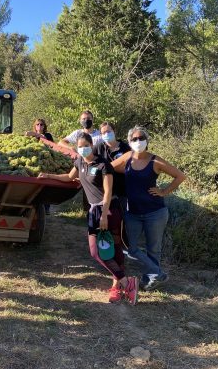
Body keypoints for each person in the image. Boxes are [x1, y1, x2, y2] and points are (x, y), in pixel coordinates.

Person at [39, 133, 139, 305]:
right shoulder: (79, 162)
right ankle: (126, 282)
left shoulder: (103, 164)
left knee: (113, 248)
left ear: (91, 145)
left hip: (109, 210)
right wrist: (49, 176)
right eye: (80, 146)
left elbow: (108, 192)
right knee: (96, 252)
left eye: (85, 145)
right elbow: (69, 177)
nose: (82, 148)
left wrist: (105, 215)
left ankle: (119, 285)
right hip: (93, 211)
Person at [111, 125, 186, 291]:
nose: (138, 141)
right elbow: (108, 168)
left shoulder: (155, 161)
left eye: (141, 138)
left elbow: (180, 176)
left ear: (147, 141)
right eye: (134, 139)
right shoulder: (127, 157)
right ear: (129, 142)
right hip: (133, 213)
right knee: (132, 249)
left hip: (155, 213)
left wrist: (164, 191)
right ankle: (158, 273)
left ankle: (150, 280)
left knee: (154, 249)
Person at [93, 122, 131, 247]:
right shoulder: (99, 147)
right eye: (103, 133)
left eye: (109, 131)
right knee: (106, 219)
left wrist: (107, 168)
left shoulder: (125, 148)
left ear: (114, 131)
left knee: (122, 220)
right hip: (103, 192)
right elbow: (92, 164)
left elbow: (129, 167)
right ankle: (105, 245)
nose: (106, 134)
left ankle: (123, 245)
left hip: (121, 190)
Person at [25, 118, 54, 214]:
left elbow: (50, 144)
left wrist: (40, 136)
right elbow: (27, 134)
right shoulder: (33, 134)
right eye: (37, 124)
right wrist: (37, 134)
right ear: (35, 126)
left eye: (41, 125)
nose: (39, 126)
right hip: (34, 161)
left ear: (44, 126)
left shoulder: (48, 135)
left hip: (45, 161)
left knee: (46, 185)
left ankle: (46, 207)